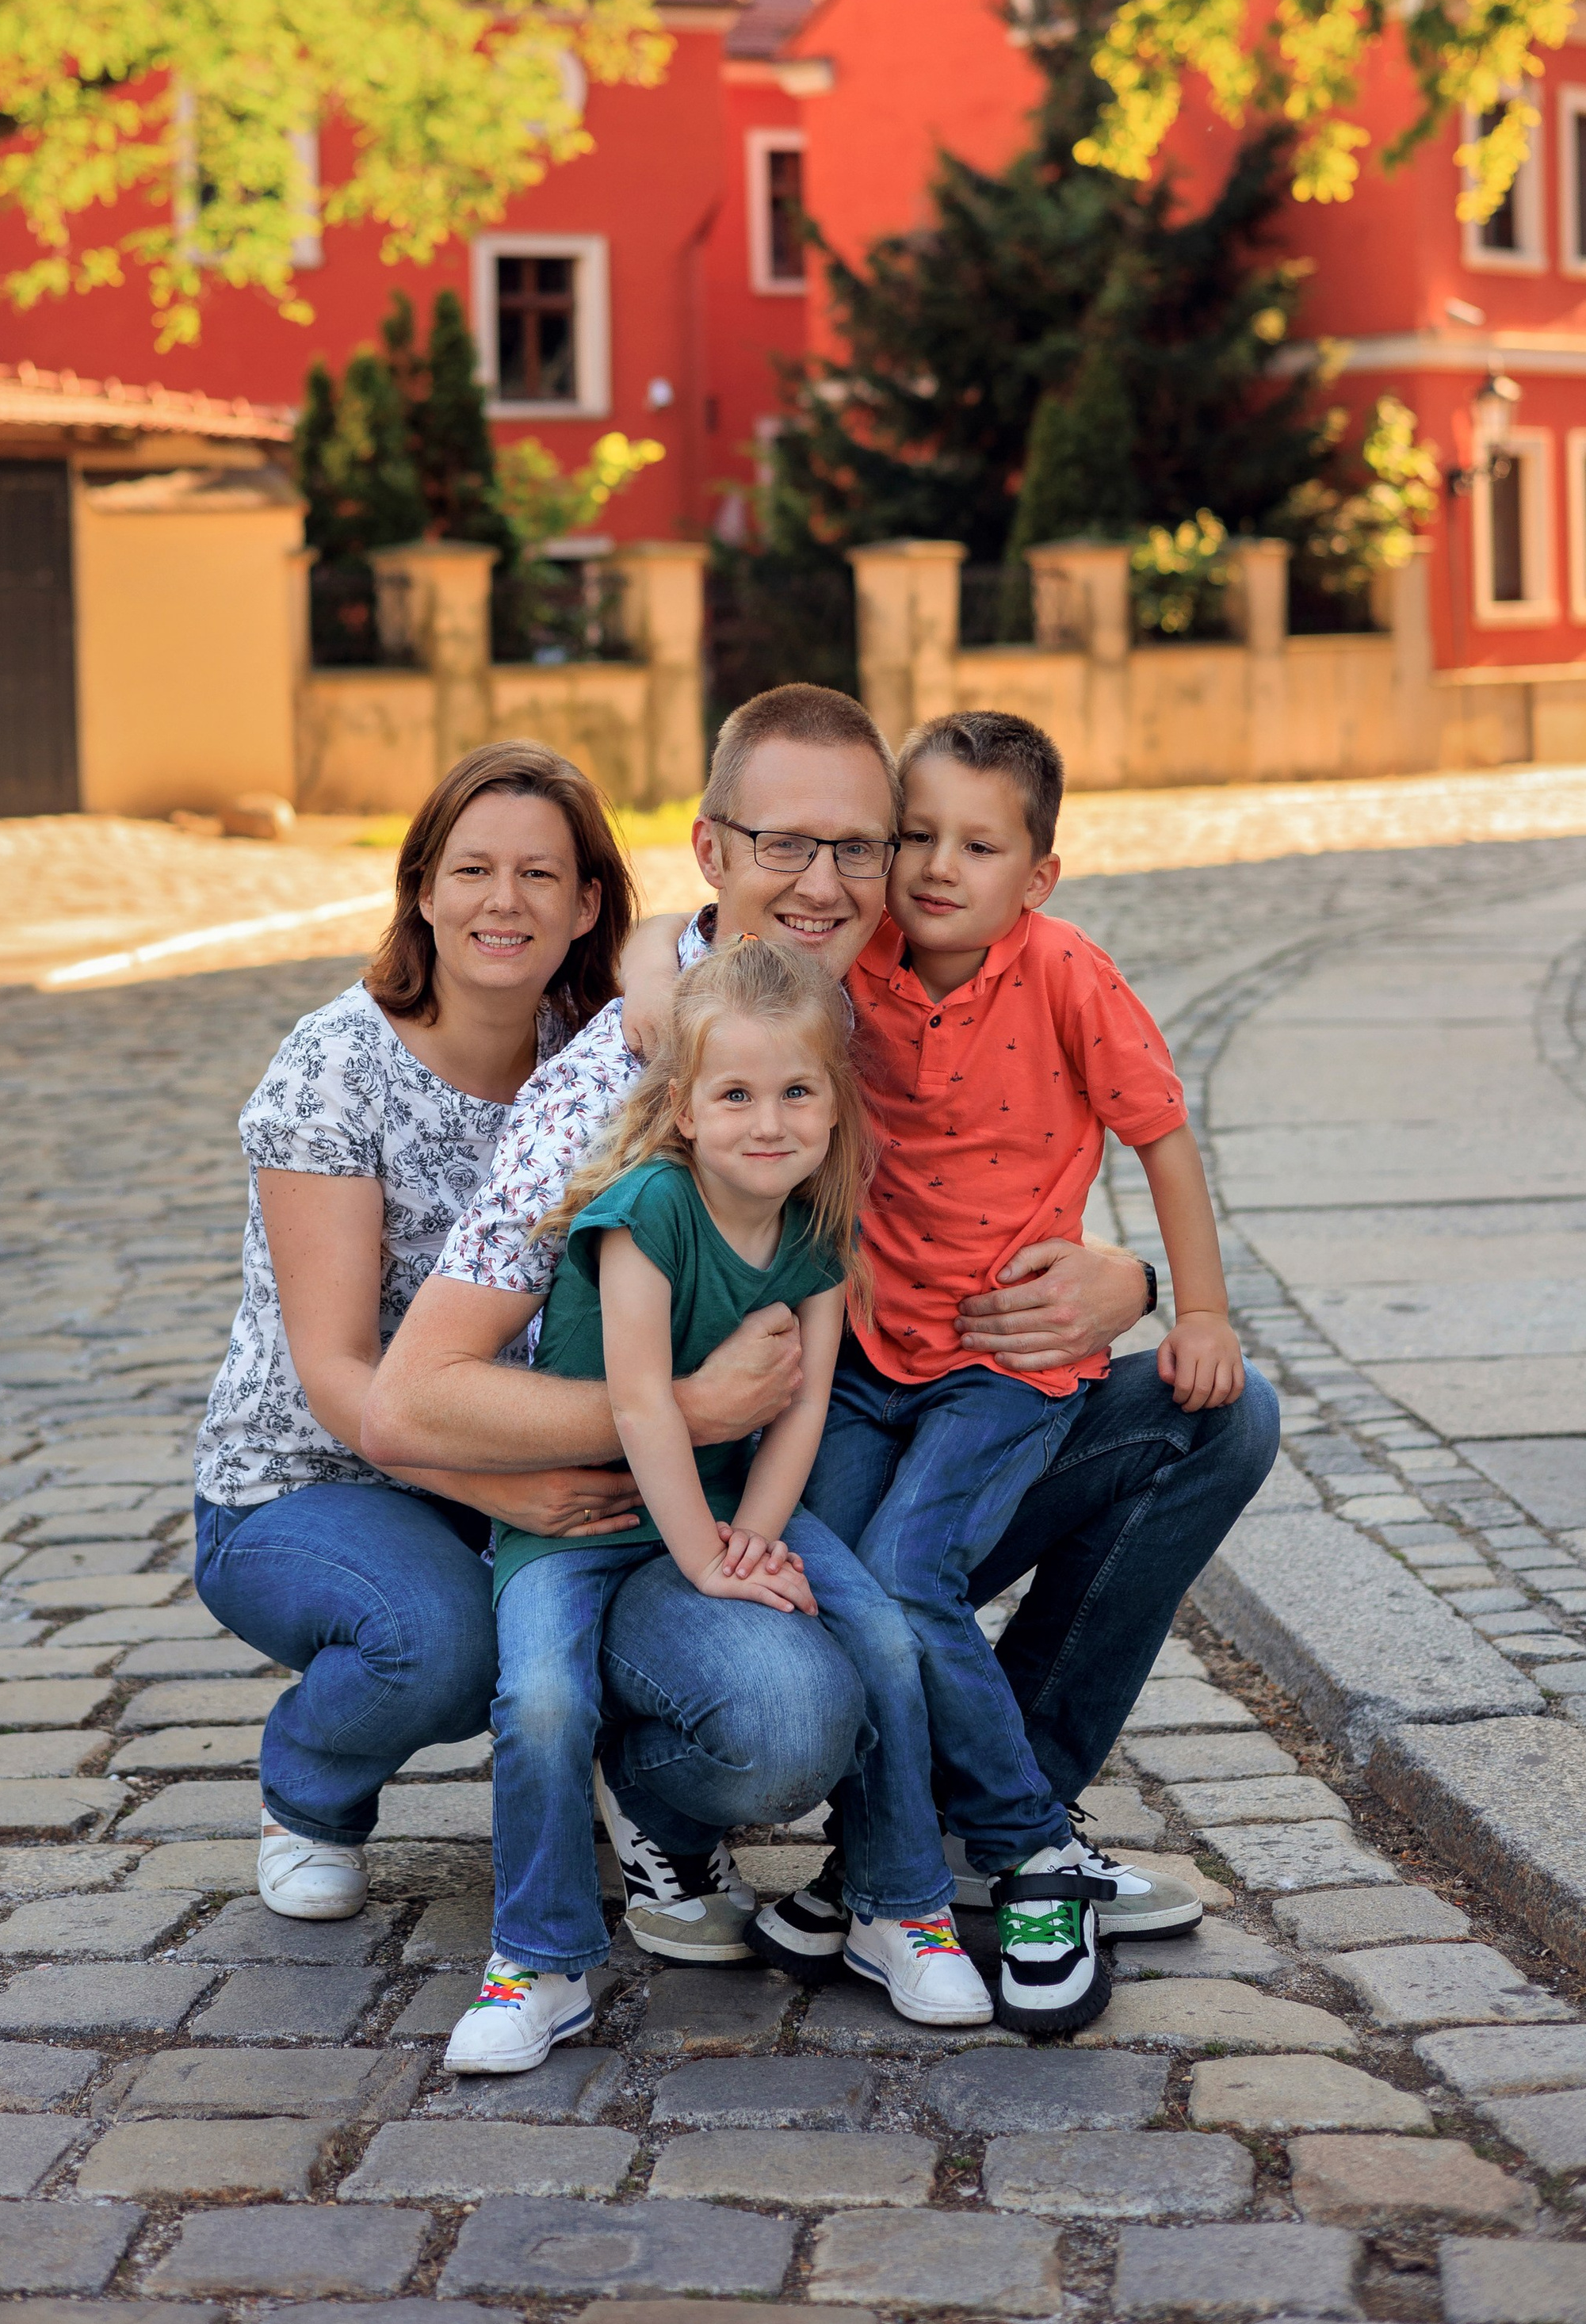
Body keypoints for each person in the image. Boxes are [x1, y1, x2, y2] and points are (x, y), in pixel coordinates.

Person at [364, 682, 1278, 1967]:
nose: (827, 880)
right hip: (657, 1518)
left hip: (862, 1432)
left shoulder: (871, 984)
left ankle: (991, 1824)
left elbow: (1034, 1106)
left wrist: (1127, 1281)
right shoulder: (618, 1084)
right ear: (712, 848)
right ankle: (661, 1795)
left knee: (1216, 1420)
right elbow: (410, 1398)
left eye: (859, 846)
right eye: (786, 843)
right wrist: (686, 1407)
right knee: (792, 1713)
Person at [622, 707, 1242, 2029]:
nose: (936, 867)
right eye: (915, 837)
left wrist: (1188, 1306)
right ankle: (892, 1861)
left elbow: (1162, 1131)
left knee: (914, 1575)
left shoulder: (1064, 972)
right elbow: (701, 932)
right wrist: (641, 968)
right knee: (851, 1591)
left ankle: (1020, 1848)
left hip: (1001, 1365)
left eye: (979, 845)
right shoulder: (859, 961)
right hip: (857, 1367)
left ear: (1041, 874)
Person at [445, 942, 993, 2074]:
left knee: (886, 1636)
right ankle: (537, 1961)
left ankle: (902, 1905)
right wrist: (707, 1561)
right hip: (581, 1519)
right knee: (542, 1699)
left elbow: (803, 1400)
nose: (769, 1122)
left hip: (727, 1502)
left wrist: (757, 1533)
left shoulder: (815, 1222)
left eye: (797, 1092)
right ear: (685, 1111)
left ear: (835, 1107)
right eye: (735, 1095)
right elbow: (641, 1404)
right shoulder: (648, 1211)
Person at [193, 741, 673, 1923]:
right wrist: (503, 1494)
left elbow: (720, 949)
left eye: (538, 875)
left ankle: (636, 1787)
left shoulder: (603, 1055)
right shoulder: (335, 1065)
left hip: (522, 1443)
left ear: (587, 904)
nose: (503, 902)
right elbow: (333, 1373)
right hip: (314, 1475)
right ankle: (310, 1787)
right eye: (471, 870)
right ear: (420, 889)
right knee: (443, 1645)